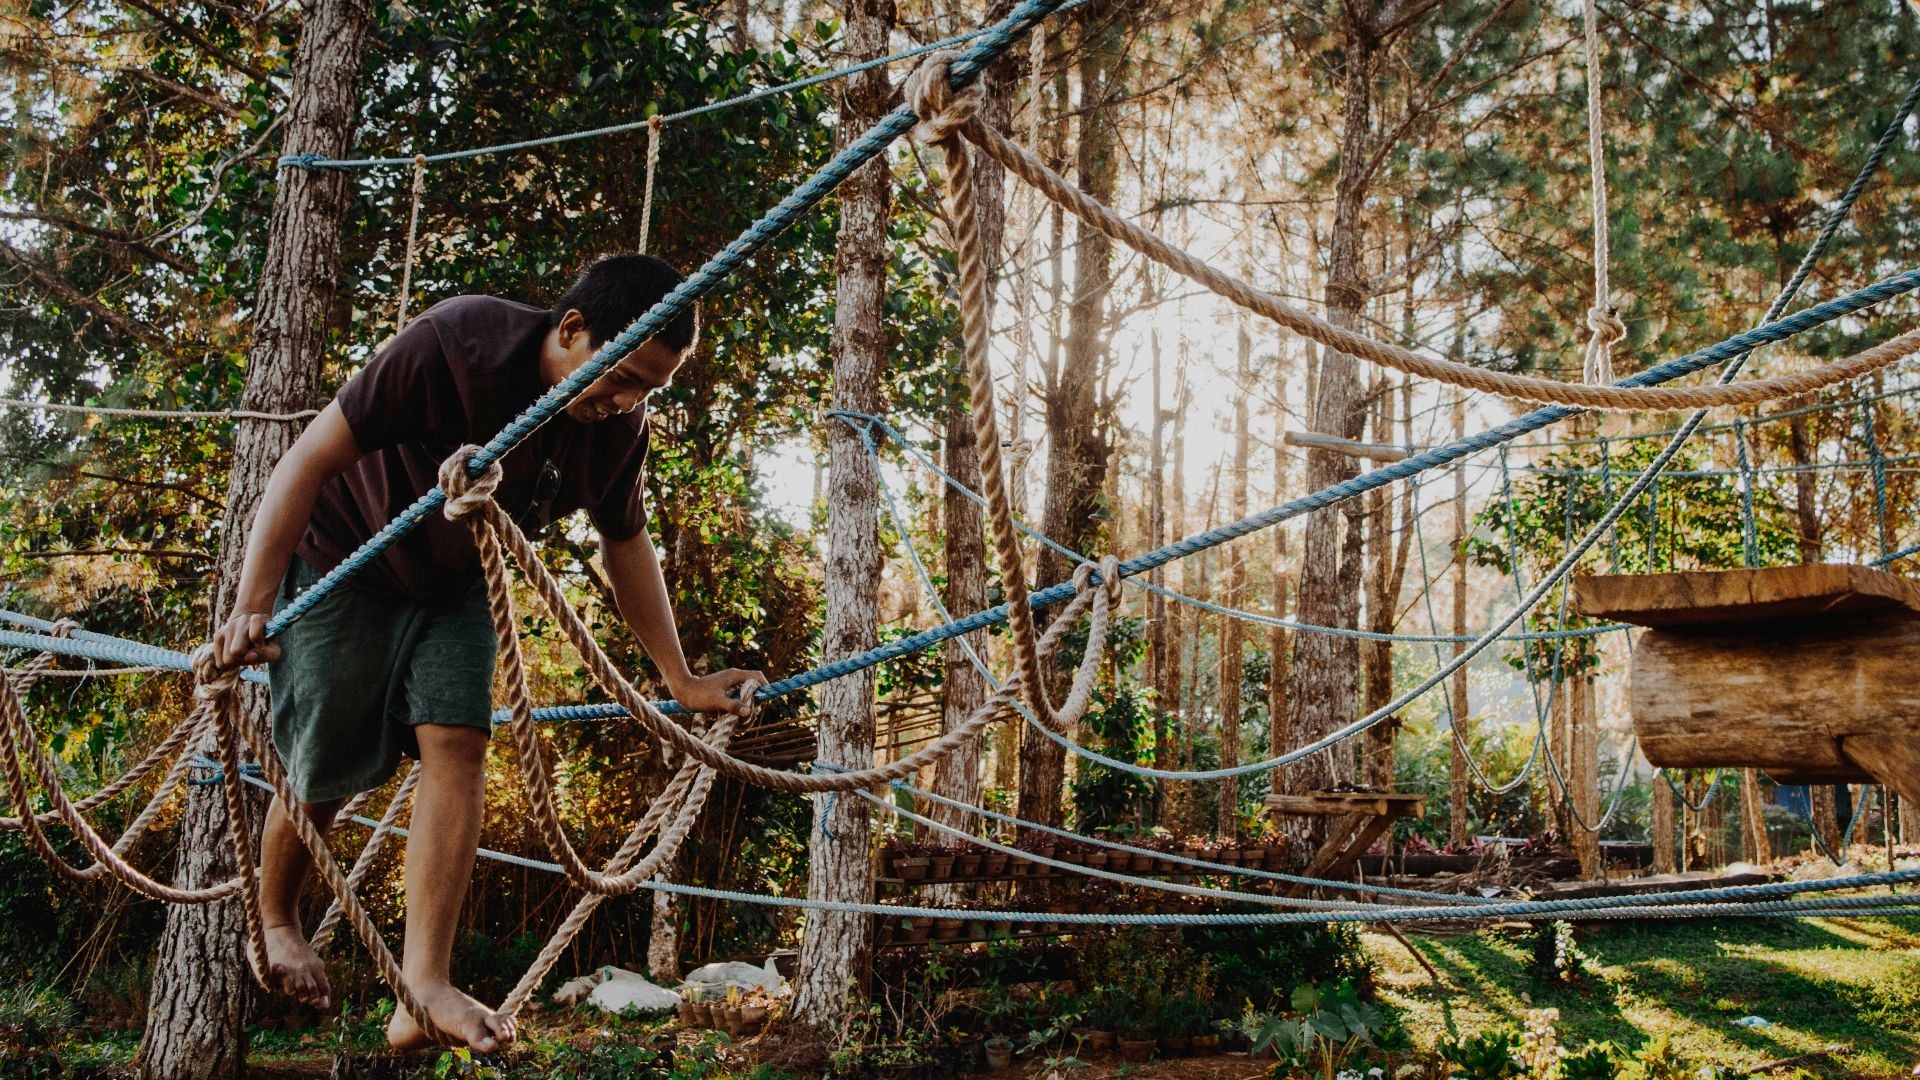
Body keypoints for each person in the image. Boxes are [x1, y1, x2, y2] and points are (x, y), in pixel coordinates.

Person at [210, 254, 764, 1053]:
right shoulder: (454, 343)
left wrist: (680, 679)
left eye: (649, 388)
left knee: (461, 744)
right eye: (622, 375)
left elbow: (627, 543)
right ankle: (276, 920)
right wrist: (252, 606)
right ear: (571, 330)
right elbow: (307, 459)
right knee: (320, 762)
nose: (626, 402)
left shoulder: (617, 430)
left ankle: (423, 989)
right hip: (347, 559)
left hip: (454, 585)